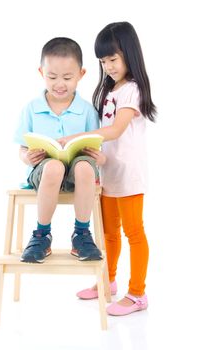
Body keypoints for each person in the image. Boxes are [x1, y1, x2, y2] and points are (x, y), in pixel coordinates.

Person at [58, 22, 157, 316]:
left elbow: (114, 131)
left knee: (134, 233)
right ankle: (107, 281)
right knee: (109, 234)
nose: (108, 66)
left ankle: (138, 294)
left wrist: (76, 138)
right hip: (108, 174)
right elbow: (106, 134)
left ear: (129, 54)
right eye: (103, 61)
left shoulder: (133, 90)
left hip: (130, 175)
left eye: (113, 59)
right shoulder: (110, 90)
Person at [14, 37, 106, 264]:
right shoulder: (32, 109)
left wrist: (97, 156)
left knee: (85, 167)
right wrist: (28, 156)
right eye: (52, 77)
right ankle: (41, 235)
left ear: (81, 75)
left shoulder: (86, 110)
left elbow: (97, 145)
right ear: (41, 72)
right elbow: (22, 149)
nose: (59, 84)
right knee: (53, 167)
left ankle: (82, 234)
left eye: (67, 77)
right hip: (44, 172)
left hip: (79, 174)